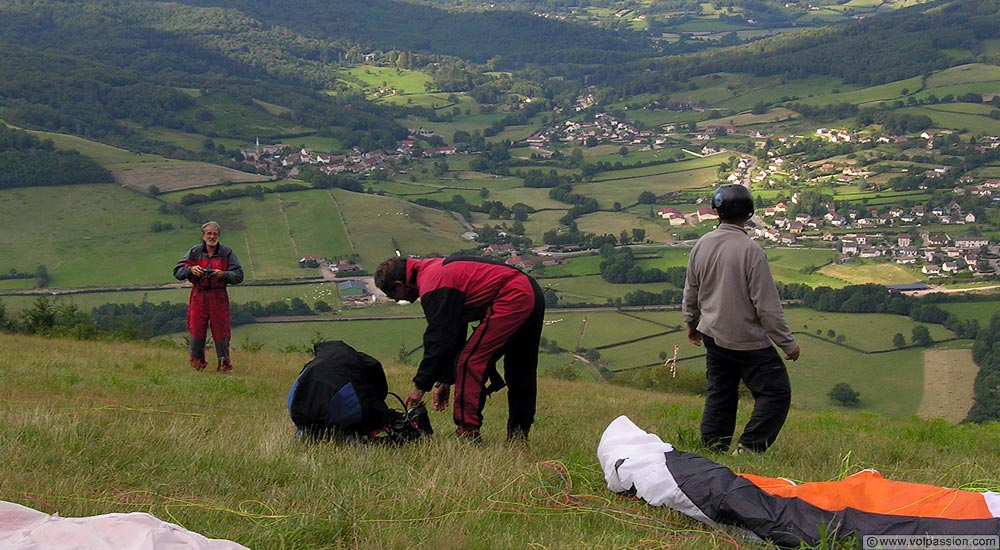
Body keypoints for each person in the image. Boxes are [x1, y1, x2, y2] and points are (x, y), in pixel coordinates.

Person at [374, 255, 545, 442]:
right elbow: (454, 330)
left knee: (470, 363)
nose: (398, 301)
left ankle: (467, 432)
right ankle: (518, 436)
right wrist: (445, 380)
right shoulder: (434, 269)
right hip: (529, 291)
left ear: (399, 284)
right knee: (520, 371)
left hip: (513, 296)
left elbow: (439, 339)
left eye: (393, 296)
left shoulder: (433, 283)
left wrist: (420, 386)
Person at [682, 184, 800, 454]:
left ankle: (713, 447)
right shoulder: (751, 251)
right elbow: (767, 307)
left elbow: (692, 291)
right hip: (747, 341)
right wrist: (787, 344)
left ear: (715, 212)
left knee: (720, 391)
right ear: (749, 213)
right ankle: (749, 447)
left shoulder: (701, 245)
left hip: (712, 333)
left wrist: (692, 324)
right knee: (776, 393)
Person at [173, 221, 244, 372]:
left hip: (219, 297)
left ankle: (224, 365)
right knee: (196, 330)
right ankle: (197, 365)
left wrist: (223, 274)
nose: (212, 237)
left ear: (219, 235)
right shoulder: (194, 252)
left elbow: (239, 275)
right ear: (203, 235)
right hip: (198, 296)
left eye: (215, 234)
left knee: (222, 332)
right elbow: (177, 271)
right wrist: (191, 270)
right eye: (209, 234)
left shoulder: (227, 253)